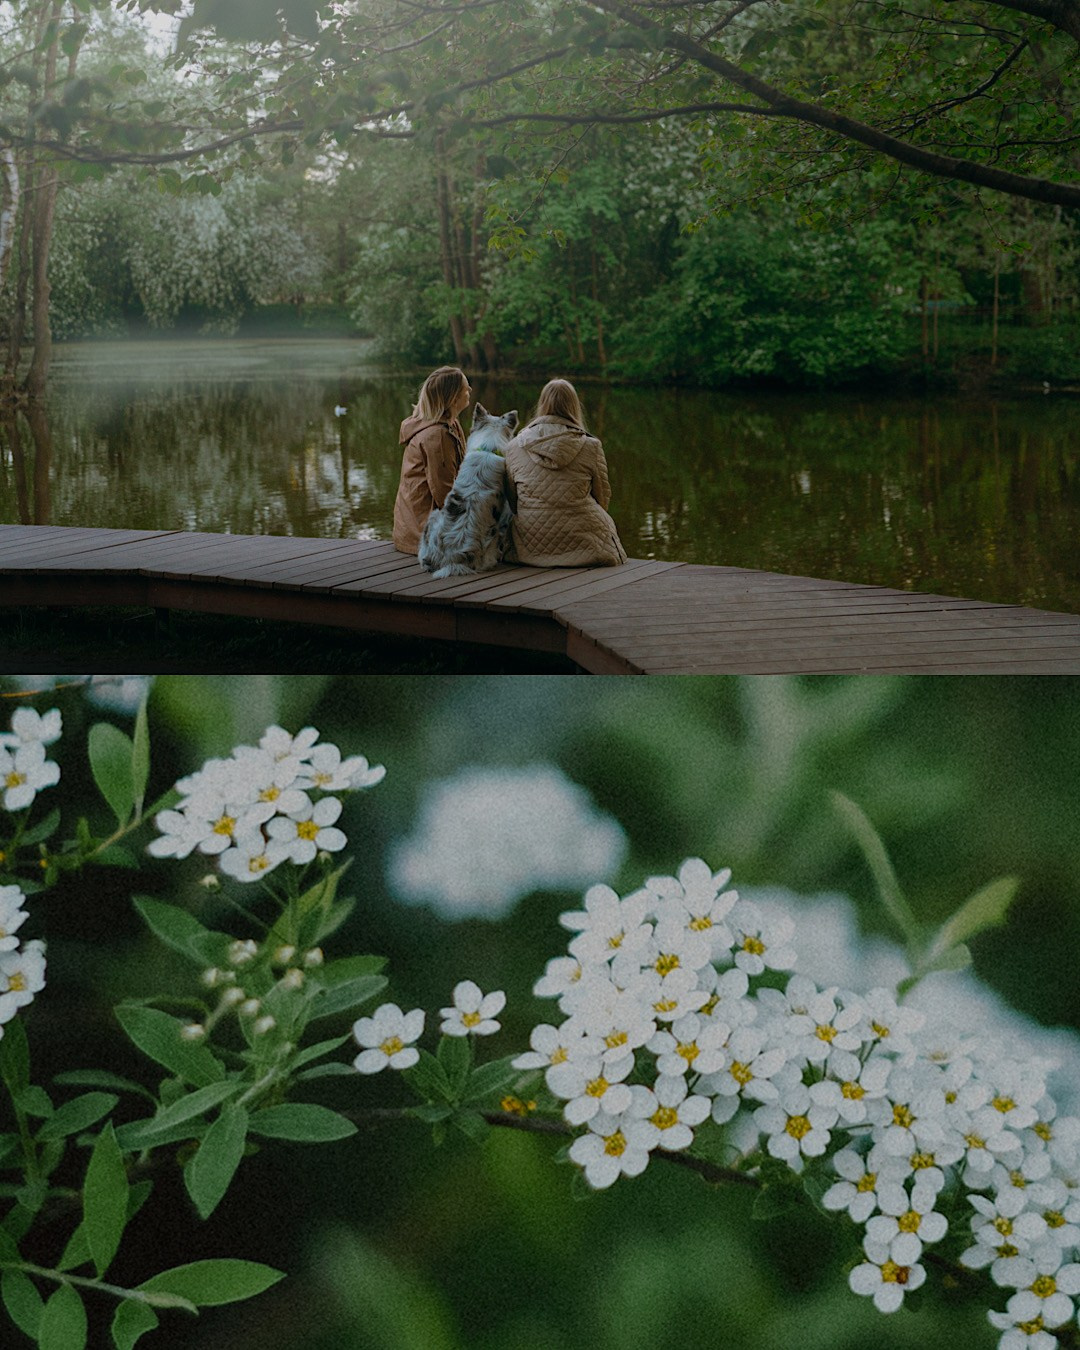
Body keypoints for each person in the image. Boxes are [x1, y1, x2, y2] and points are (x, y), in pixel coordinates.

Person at [503, 378, 627, 567]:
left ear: (542, 405)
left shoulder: (514, 447)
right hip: (587, 543)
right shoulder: (591, 446)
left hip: (530, 542)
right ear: (574, 406)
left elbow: (513, 500)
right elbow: (602, 499)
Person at [392, 366, 470, 554]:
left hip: (413, 530)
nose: (470, 391)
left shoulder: (449, 423)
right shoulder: (437, 436)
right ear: (453, 398)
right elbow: (445, 493)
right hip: (423, 535)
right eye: (466, 389)